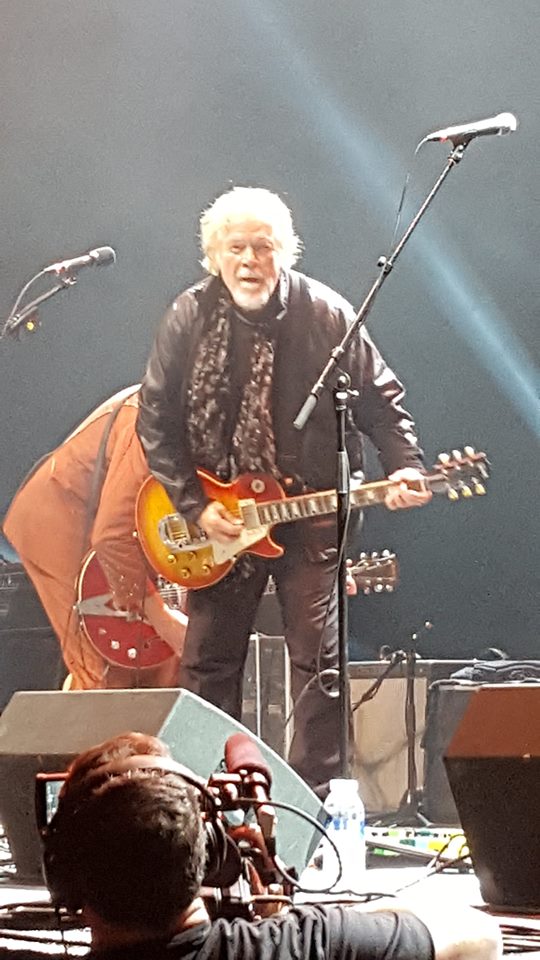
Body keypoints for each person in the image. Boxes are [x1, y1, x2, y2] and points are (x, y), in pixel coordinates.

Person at [136, 186, 431, 795]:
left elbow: (382, 401)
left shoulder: (326, 315)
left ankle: (315, 806)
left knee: (319, 667)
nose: (249, 260)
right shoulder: (188, 316)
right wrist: (196, 506)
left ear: (285, 251)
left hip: (310, 516)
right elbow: (155, 420)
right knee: (208, 665)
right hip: (219, 519)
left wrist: (404, 465)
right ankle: (200, 799)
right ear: (214, 255)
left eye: (263, 247)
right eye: (236, 247)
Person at [42, 731, 502, 960]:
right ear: (209, 853)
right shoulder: (308, 944)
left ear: (63, 874)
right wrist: (344, 922)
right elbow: (481, 936)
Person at [2, 387, 187, 690]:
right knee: (102, 666)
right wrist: (163, 618)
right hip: (59, 518)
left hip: (110, 522)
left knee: (159, 659)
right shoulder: (153, 419)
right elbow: (111, 536)